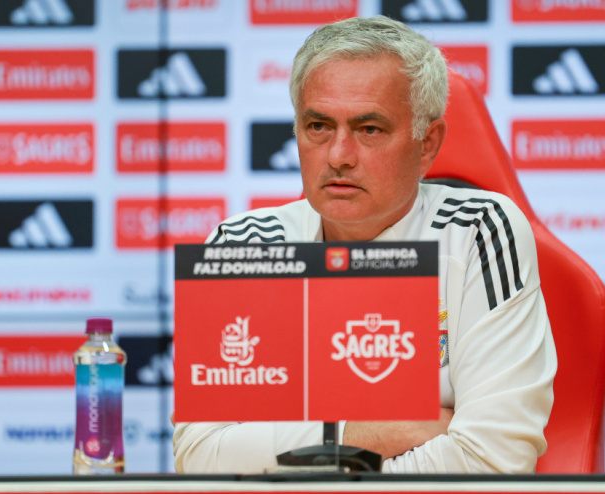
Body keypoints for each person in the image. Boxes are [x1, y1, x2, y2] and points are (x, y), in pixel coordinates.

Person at [173, 15, 557, 474]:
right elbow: (200, 457)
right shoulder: (245, 245)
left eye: (369, 129)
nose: (338, 155)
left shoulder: (479, 231)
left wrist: (298, 464)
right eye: (317, 126)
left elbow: (493, 458)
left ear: (427, 144)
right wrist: (371, 433)